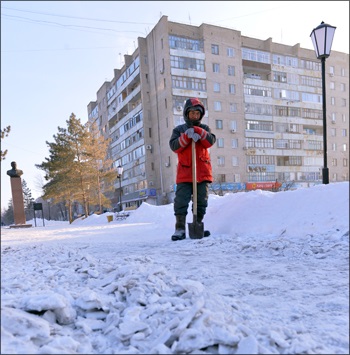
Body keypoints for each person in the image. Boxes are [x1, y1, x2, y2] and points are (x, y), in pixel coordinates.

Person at [169, 98, 216, 241]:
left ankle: (198, 223)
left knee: (201, 201)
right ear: (186, 113)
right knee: (181, 201)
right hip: (185, 172)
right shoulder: (178, 130)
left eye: (197, 113)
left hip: (202, 173)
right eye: (192, 113)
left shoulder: (206, 129)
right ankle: (180, 228)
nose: (194, 116)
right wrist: (186, 137)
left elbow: (210, 141)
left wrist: (198, 131)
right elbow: (174, 146)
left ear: (200, 115)